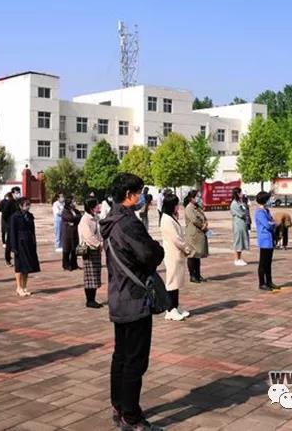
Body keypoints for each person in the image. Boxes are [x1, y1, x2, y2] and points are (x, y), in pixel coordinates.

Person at [99, 173, 165, 431]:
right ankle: (131, 415)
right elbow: (150, 254)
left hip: (118, 296)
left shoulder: (110, 221)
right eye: (139, 192)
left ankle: (119, 405)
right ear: (129, 195)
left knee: (121, 356)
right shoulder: (128, 223)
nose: (142, 197)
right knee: (135, 360)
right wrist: (157, 248)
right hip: (135, 299)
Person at [160, 194, 193, 321]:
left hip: (177, 254)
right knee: (172, 282)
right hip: (172, 254)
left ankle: (175, 305)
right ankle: (170, 309)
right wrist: (186, 248)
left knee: (177, 282)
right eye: (176, 204)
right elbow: (176, 239)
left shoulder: (171, 217)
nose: (178, 207)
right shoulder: (166, 219)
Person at [10, 197, 40, 297]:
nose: (28, 206)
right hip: (20, 243)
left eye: (29, 204)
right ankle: (18, 287)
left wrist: (34, 242)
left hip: (29, 242)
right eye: (26, 204)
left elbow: (33, 230)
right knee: (19, 266)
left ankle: (24, 286)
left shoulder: (29, 216)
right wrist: (13, 246)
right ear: (20, 205)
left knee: (27, 266)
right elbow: (12, 232)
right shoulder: (15, 217)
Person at [78, 198, 103, 308]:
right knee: (90, 276)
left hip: (96, 249)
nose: (99, 206)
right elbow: (88, 236)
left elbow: (99, 233)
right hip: (88, 250)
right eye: (97, 205)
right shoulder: (85, 220)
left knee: (95, 275)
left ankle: (93, 298)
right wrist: (99, 244)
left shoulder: (95, 218)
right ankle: (90, 300)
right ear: (91, 207)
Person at [255, 191, 279, 291]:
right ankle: (262, 283)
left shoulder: (266, 211)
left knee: (268, 262)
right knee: (263, 262)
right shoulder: (260, 212)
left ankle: (269, 281)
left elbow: (273, 222)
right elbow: (268, 225)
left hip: (270, 239)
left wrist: (273, 223)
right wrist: (273, 224)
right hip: (264, 239)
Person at [184, 190, 208, 283]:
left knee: (198, 255)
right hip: (193, 235)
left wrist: (205, 223)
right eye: (196, 196)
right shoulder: (189, 208)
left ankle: (198, 274)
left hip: (199, 234)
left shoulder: (197, 207)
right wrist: (202, 226)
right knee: (192, 255)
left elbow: (203, 217)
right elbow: (194, 220)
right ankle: (192, 275)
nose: (198, 198)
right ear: (191, 198)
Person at [230, 188, 249, 266]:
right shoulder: (234, 203)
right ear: (237, 194)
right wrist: (245, 212)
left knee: (241, 241)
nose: (242, 194)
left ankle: (239, 258)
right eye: (241, 193)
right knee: (238, 241)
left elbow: (246, 211)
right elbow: (241, 214)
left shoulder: (240, 202)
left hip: (242, 224)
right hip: (238, 224)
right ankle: (236, 259)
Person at [0, 188, 20, 265]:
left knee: (19, 242)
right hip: (11, 226)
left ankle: (19, 258)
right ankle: (7, 259)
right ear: (12, 193)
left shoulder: (19, 202)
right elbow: (4, 214)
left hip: (18, 225)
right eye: (16, 193)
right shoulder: (9, 202)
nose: (18, 194)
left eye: (19, 192)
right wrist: (9, 222)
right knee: (9, 243)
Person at [61, 197, 82, 271]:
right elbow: (70, 218)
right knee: (67, 250)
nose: (75, 203)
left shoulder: (76, 211)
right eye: (73, 202)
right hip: (67, 233)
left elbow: (79, 217)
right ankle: (66, 265)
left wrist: (74, 219)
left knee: (74, 249)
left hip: (75, 232)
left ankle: (74, 265)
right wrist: (74, 218)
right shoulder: (65, 211)